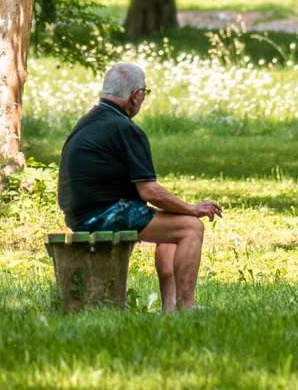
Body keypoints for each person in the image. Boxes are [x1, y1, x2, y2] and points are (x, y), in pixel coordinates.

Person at [56, 61, 221, 312]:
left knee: (177, 222)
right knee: (190, 227)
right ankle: (186, 307)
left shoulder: (89, 120)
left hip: (81, 214)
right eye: (144, 93)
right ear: (135, 95)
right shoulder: (126, 129)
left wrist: (182, 209)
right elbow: (150, 192)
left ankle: (171, 305)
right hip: (104, 215)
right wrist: (192, 209)